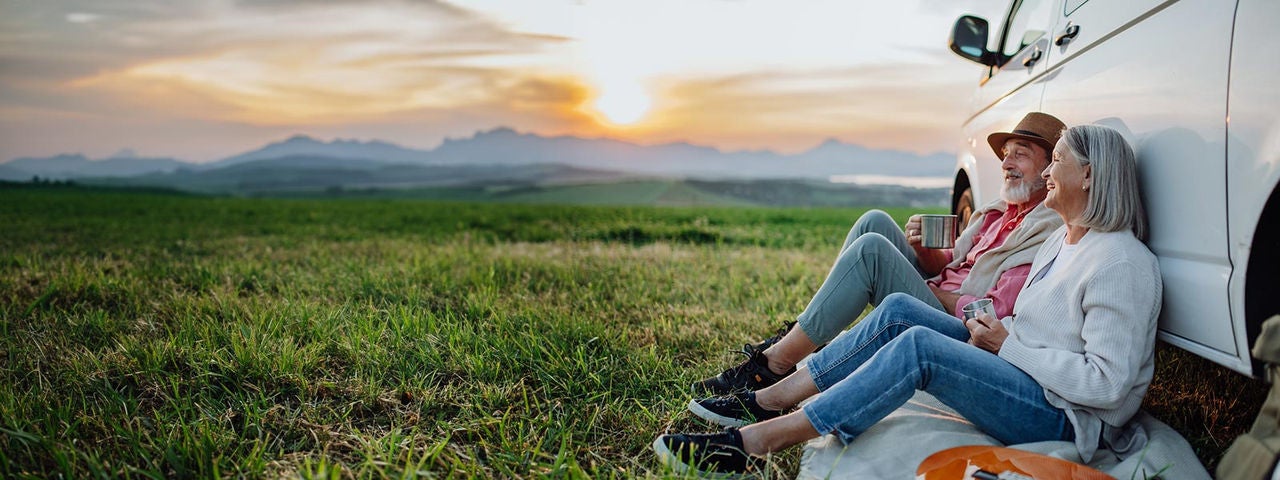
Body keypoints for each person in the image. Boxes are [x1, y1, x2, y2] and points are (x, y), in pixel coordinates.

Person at [655, 124, 1161, 477]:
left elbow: (1110, 385)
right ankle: (769, 397)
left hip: (1061, 412)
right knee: (899, 310)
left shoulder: (1121, 263)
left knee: (919, 346)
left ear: (1090, 176)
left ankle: (759, 443)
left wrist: (1008, 347)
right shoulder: (1062, 239)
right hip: (1018, 366)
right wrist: (992, 332)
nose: (1048, 171)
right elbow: (1021, 316)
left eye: (1057, 161)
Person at [694, 112, 1067, 395]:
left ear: (1050, 167)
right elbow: (950, 268)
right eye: (1005, 155)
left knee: (873, 252)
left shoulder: (1043, 232)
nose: (1005, 164)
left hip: (957, 329)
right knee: (874, 222)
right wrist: (924, 249)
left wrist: (932, 290)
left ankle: (774, 364)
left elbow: (992, 314)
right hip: (936, 295)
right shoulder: (995, 214)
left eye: (1020, 155)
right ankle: (805, 331)